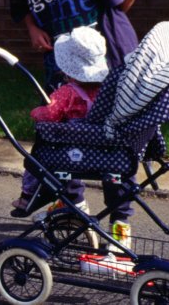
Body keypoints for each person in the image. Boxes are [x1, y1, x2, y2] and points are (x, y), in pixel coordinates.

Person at [0, 0, 140, 243]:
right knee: (63, 135)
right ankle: (73, 206)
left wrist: (101, 30)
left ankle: (120, 222)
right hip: (61, 68)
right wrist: (32, 28)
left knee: (113, 144)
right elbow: (20, 4)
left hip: (105, 64)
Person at [11, 26, 108, 213]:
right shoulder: (105, 91)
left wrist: (36, 112)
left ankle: (29, 195)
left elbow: (50, 115)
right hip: (98, 147)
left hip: (69, 147)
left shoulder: (66, 93)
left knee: (35, 161)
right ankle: (70, 201)